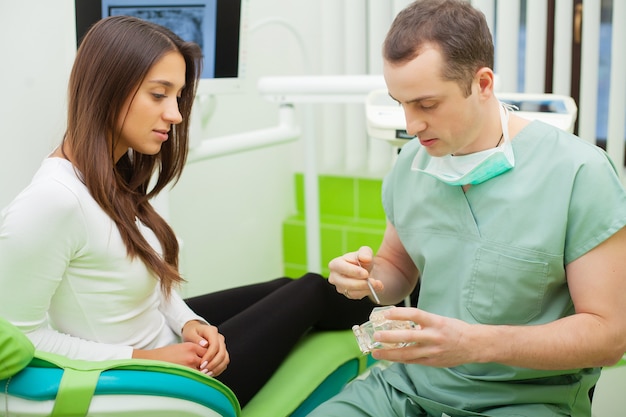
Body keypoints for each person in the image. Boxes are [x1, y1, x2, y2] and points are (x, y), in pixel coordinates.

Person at [0, 15, 376, 408]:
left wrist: (189, 322)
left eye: (177, 96)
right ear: (107, 90)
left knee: (286, 284)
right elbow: (24, 339)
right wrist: (148, 360)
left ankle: (399, 308)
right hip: (153, 384)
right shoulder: (52, 201)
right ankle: (404, 316)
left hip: (165, 344)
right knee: (312, 291)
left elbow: (150, 285)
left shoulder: (109, 176)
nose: (176, 115)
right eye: (159, 95)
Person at [309, 0, 626, 416]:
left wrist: (474, 344)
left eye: (426, 104)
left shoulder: (579, 173)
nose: (411, 124)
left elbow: (610, 335)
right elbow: (398, 268)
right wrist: (366, 278)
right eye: (400, 103)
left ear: (483, 83)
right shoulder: (411, 162)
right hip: (405, 387)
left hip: (523, 399)